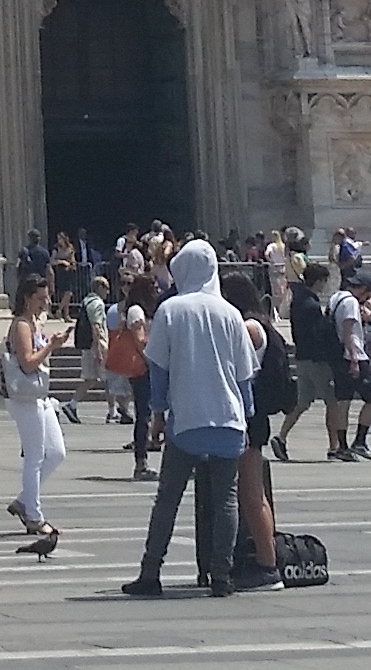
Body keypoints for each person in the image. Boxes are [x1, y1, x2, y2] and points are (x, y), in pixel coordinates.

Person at [122, 240, 252, 598]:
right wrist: (248, 414)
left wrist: (158, 414)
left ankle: (151, 573)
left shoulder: (171, 310)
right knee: (226, 499)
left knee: (168, 498)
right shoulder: (230, 314)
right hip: (229, 419)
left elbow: (158, 368)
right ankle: (222, 576)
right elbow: (244, 376)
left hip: (186, 420)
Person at [1, 292, 69, 554]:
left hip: (39, 395)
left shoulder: (34, 323)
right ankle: (34, 516)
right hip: (24, 398)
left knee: (57, 452)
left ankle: (22, 501)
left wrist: (53, 343)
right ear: (27, 299)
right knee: (35, 455)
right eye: (40, 297)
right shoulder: (20, 325)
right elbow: (27, 363)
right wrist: (50, 346)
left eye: (48, 297)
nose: (46, 302)